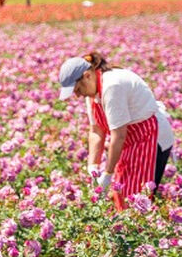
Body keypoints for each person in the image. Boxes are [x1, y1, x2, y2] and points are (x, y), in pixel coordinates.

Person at [57, 52, 174, 210]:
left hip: (151, 139)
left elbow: (118, 136)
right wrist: (93, 166)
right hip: (129, 141)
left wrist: (107, 174)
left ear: (87, 76)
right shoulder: (91, 93)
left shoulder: (112, 86)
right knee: (122, 194)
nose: (77, 95)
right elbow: (96, 130)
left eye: (77, 89)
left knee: (136, 200)